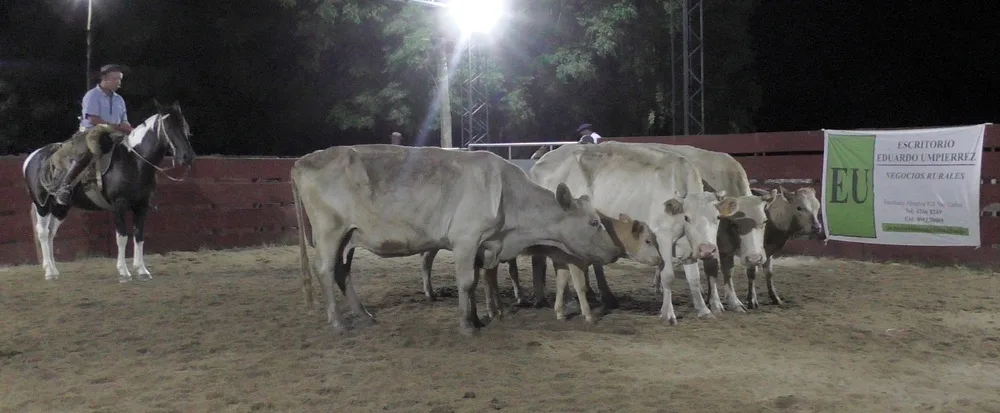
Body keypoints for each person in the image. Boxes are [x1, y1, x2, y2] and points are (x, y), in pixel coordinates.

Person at [49, 64, 133, 205]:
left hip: (116, 135)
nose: (119, 82)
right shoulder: (92, 95)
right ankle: (65, 185)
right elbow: (92, 119)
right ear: (105, 79)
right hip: (92, 133)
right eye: (116, 79)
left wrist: (131, 130)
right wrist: (116, 127)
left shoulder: (119, 99)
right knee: (86, 153)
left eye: (120, 79)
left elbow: (124, 120)